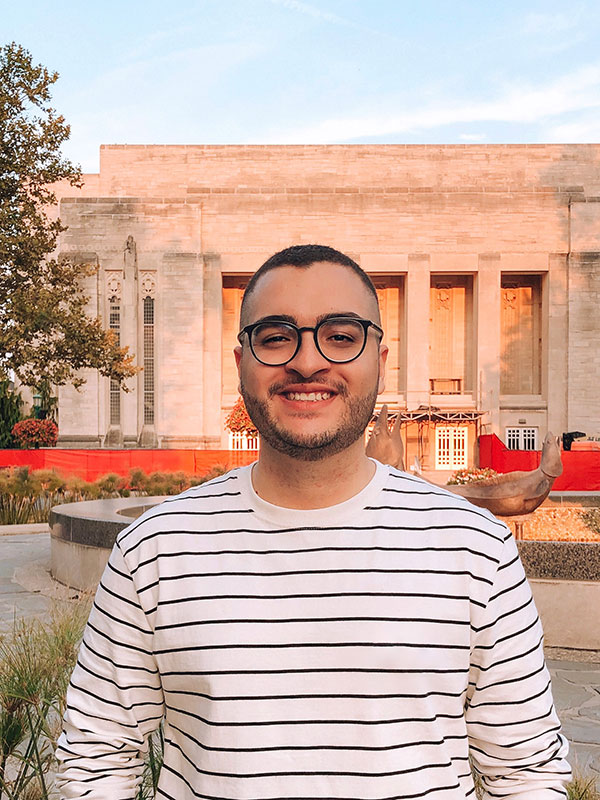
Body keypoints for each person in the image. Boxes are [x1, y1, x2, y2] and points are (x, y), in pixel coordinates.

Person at [56, 244, 571, 799]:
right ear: (240, 365)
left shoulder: (475, 547)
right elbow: (95, 757)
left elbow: (525, 773)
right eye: (276, 337)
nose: (306, 362)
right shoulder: (153, 549)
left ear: (380, 358)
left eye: (341, 336)